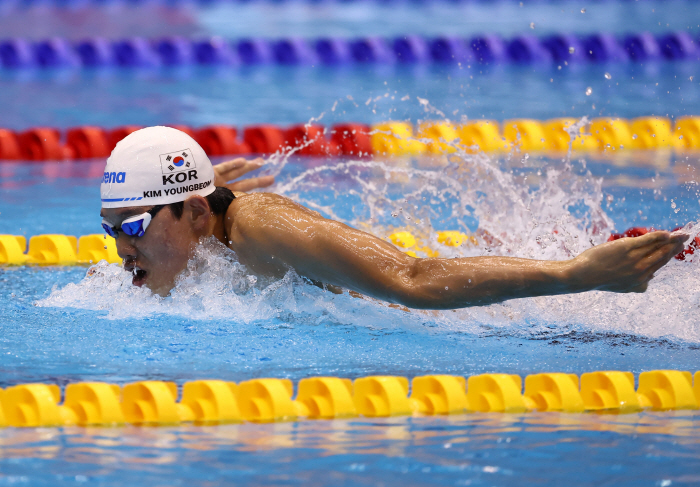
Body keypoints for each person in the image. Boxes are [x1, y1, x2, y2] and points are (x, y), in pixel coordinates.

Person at [99, 127, 689, 307]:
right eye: (110, 229)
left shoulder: (258, 226)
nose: (121, 250)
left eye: (131, 228)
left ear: (196, 212)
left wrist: (576, 275)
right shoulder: (203, 235)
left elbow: (413, 281)